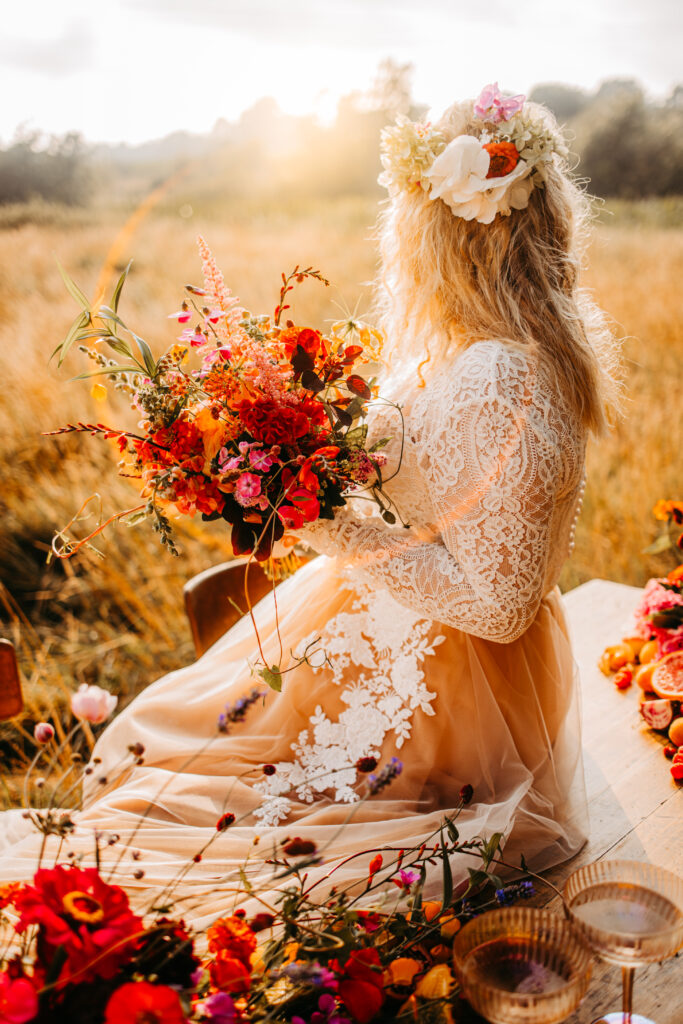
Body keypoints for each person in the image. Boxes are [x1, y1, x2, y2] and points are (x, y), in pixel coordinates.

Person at [0, 85, 621, 924]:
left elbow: (500, 609)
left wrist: (322, 522)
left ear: (440, 229)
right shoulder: (473, 352)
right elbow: (429, 486)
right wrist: (280, 444)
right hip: (381, 623)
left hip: (451, 687)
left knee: (251, 838)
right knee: (180, 759)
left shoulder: (505, 374)